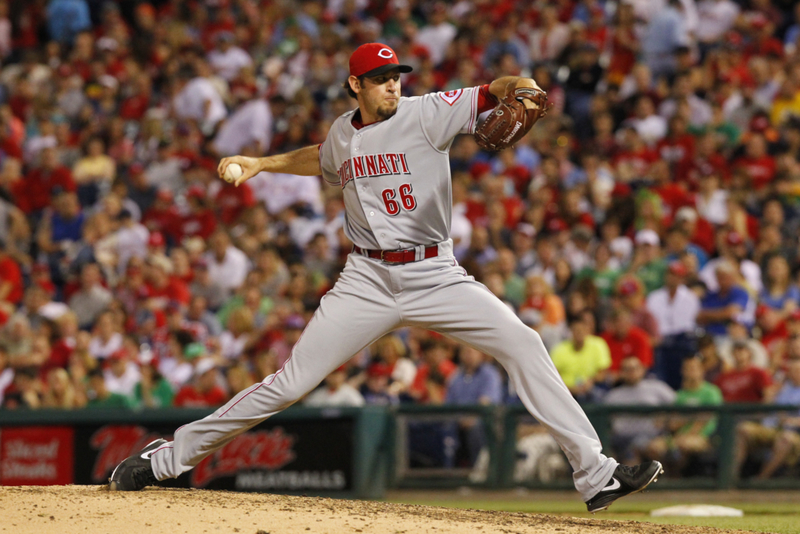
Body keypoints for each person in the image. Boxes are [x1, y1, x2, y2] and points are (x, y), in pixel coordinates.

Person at [108, 43, 662, 512]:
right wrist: (262, 163)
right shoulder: (342, 135)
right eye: (379, 80)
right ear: (356, 85)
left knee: (524, 341)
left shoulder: (427, 112)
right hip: (366, 279)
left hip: (435, 272)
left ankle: (596, 475)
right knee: (289, 384)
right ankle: (166, 460)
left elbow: (495, 89)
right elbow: (321, 157)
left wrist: (525, 83)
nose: (392, 87)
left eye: (395, 77)